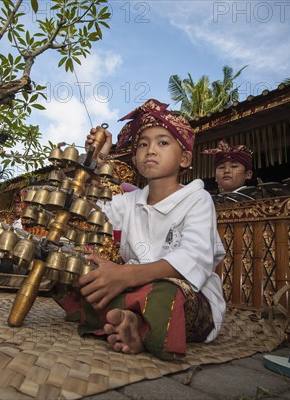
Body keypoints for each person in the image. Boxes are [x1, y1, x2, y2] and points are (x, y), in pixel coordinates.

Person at [55, 99, 226, 360]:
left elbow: (193, 258)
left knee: (166, 294)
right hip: (133, 288)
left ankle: (131, 322)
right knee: (66, 272)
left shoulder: (197, 199)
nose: (151, 150)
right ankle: (131, 322)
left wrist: (125, 275)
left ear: (185, 158)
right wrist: (97, 157)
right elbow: (88, 212)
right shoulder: (129, 202)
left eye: (163, 143)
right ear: (135, 159)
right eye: (143, 144)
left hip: (185, 296)